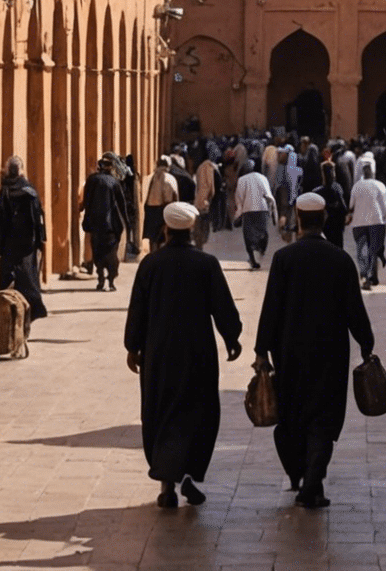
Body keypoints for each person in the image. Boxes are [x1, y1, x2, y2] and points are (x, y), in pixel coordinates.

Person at [254, 193, 377, 509]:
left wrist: (261, 351)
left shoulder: (284, 259)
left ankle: (304, 478)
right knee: (324, 418)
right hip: (330, 354)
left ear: (298, 219)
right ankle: (312, 481)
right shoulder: (340, 259)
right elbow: (354, 308)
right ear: (324, 220)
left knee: (294, 415)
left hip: (290, 352)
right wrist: (366, 343)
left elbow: (272, 307)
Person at [124, 202, 242, 510]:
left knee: (162, 412)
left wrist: (132, 346)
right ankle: (188, 474)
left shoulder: (151, 264)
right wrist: (232, 338)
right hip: (197, 352)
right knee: (197, 411)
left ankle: (167, 485)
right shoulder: (206, 264)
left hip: (159, 353)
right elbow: (223, 308)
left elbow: (137, 309)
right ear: (192, 229)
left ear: (165, 229)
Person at [0, 156, 48, 321]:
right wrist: (42, 239)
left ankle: (6, 311)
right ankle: (31, 310)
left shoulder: (5, 191)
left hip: (8, 245)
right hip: (27, 244)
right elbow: (38, 217)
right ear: (22, 170)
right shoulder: (30, 191)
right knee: (28, 279)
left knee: (7, 278)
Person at [80, 154, 129, 291]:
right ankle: (111, 281)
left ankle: (100, 277)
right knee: (111, 253)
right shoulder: (114, 182)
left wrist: (85, 214)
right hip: (111, 226)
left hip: (95, 224)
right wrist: (126, 222)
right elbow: (121, 204)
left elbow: (86, 201)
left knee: (98, 252)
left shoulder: (91, 180)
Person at [348, 159, 386, 289]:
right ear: (373, 173)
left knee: (362, 249)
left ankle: (364, 274)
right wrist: (384, 217)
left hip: (359, 223)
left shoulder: (356, 186)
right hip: (377, 222)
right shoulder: (380, 185)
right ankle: (373, 276)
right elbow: (385, 206)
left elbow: (351, 205)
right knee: (374, 250)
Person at [234, 161, 276, 270]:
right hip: (262, 210)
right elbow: (268, 195)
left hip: (248, 211)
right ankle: (261, 251)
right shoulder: (262, 177)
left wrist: (238, 213)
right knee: (262, 233)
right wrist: (273, 212)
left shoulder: (242, 180)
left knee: (248, 236)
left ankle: (252, 259)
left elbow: (239, 199)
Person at [142, 157, 180, 251]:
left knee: (153, 238)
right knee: (164, 236)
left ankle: (153, 257)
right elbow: (171, 197)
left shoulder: (151, 176)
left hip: (150, 209)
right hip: (164, 209)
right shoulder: (170, 178)